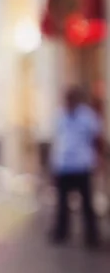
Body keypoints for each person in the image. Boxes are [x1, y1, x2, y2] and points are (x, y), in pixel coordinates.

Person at [50, 86, 102, 249]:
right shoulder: (59, 116)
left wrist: (99, 160)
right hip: (64, 165)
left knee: (87, 203)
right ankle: (61, 232)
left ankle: (92, 235)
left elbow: (96, 138)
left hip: (82, 165)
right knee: (62, 203)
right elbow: (57, 141)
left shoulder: (87, 116)